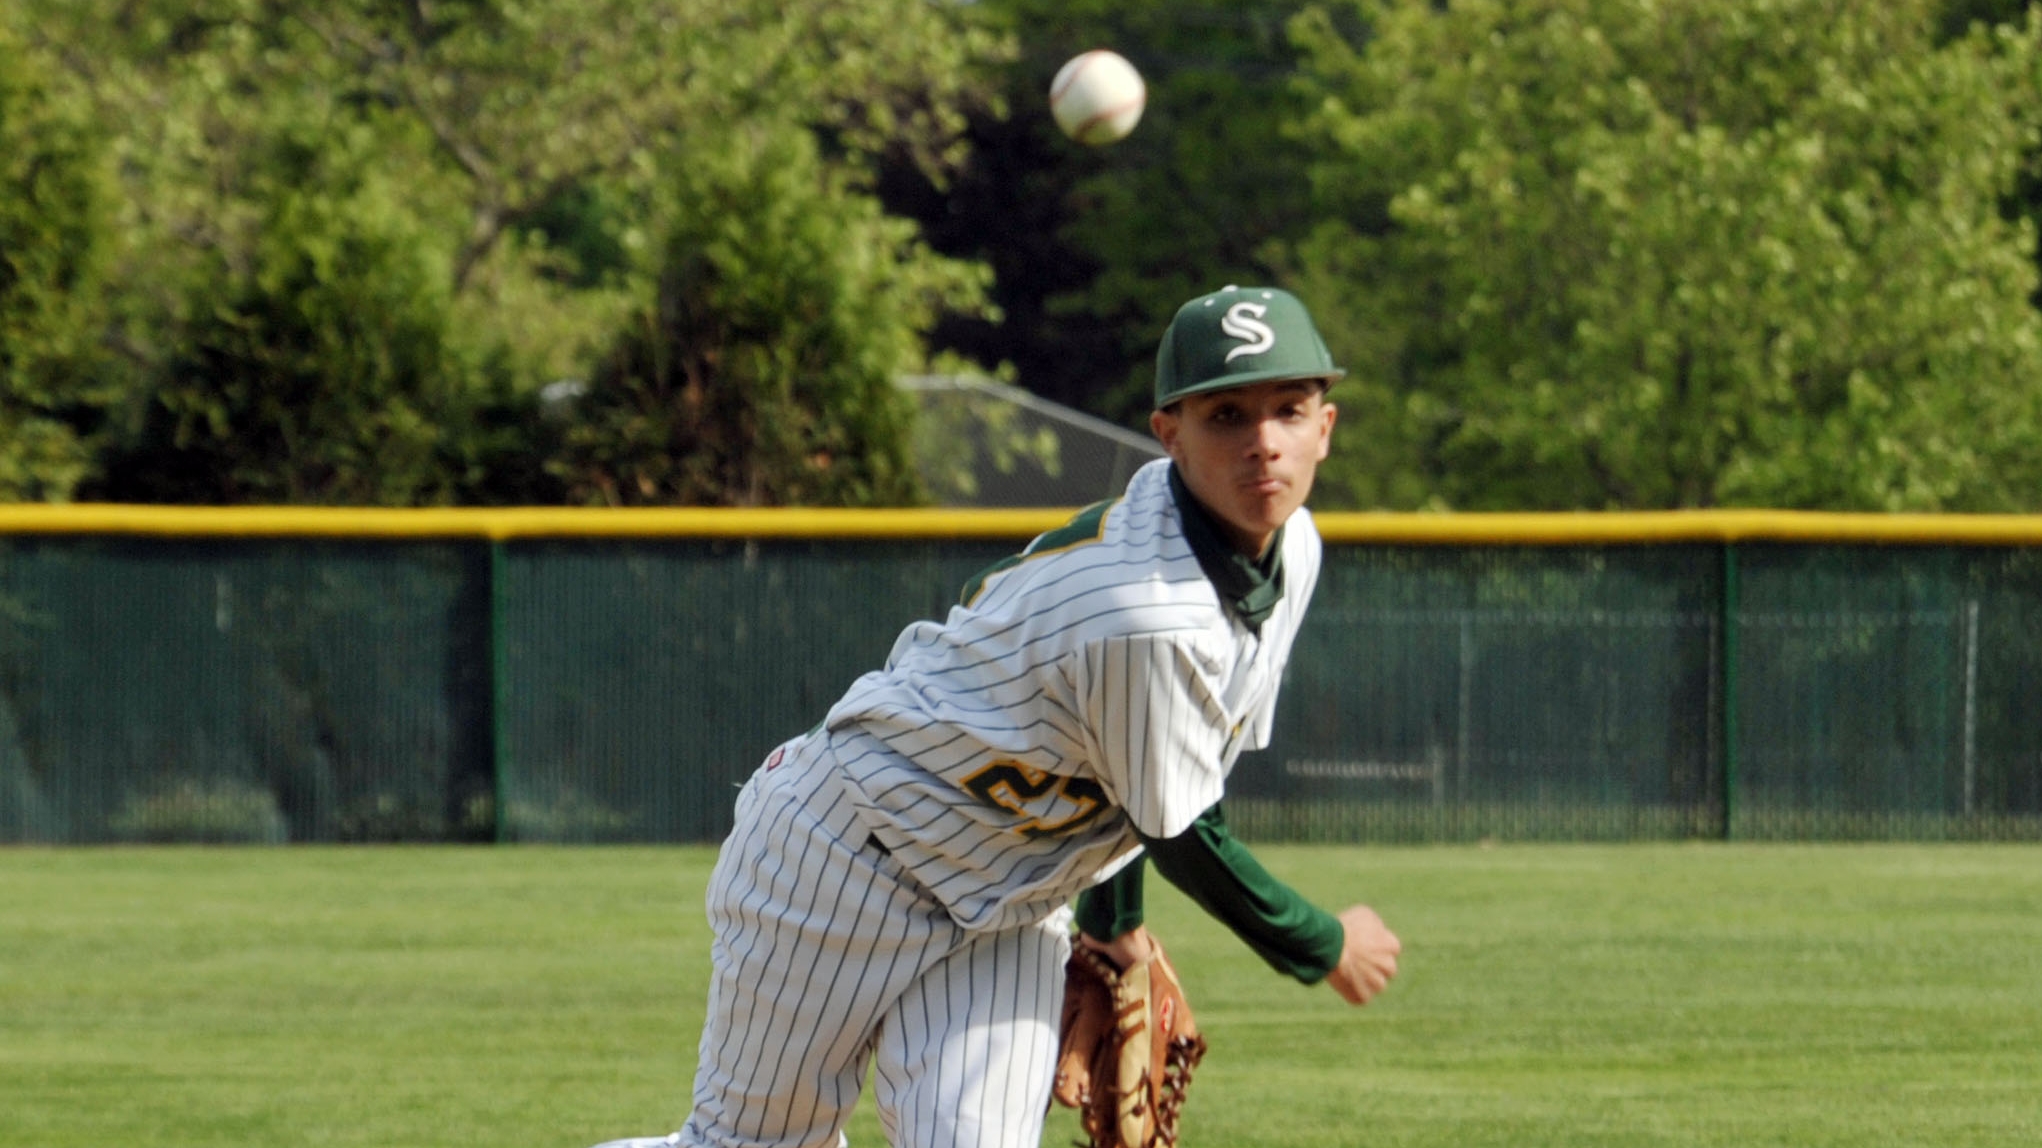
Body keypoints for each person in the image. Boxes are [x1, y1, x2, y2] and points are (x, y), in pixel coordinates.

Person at [591, 285, 1402, 1148]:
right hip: (847, 852)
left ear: (1326, 425)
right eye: (1227, 415)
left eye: (1289, 409)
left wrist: (1113, 925)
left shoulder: (1292, 552)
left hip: (1010, 901)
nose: (1263, 442)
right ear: (1170, 435)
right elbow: (1181, 830)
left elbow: (1164, 762)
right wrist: (1321, 943)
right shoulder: (1145, 608)